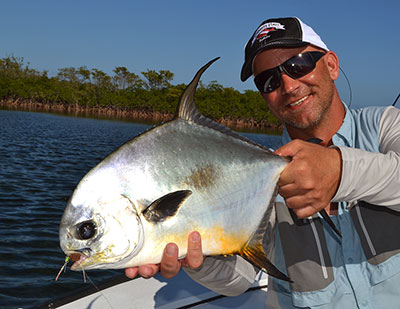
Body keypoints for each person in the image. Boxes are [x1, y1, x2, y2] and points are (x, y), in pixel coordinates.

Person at [125, 17, 400, 308]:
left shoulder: (384, 126)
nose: (289, 85)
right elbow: (242, 278)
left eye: (299, 64)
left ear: (331, 65)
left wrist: (339, 169)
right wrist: (197, 259)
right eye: (268, 80)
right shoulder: (260, 173)